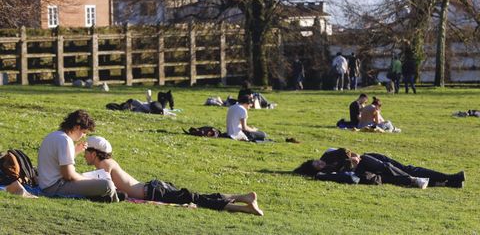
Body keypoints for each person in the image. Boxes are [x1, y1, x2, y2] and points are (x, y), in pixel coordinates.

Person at [84, 136, 263, 216]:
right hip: (154, 188)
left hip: (153, 192)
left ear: (94, 153)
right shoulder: (107, 163)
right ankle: (244, 204)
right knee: (198, 198)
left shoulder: (105, 164)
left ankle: (244, 201)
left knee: (198, 200)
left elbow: (100, 186)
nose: (83, 155)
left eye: (86, 152)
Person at [37, 110, 120, 202]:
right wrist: (87, 179)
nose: (84, 136)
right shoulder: (65, 140)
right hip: (55, 187)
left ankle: (103, 195)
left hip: (48, 185)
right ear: (77, 127)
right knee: (108, 185)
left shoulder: (54, 135)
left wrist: (74, 152)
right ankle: (111, 197)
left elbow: (59, 164)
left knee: (98, 181)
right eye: (84, 132)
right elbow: (68, 175)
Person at [294, 148, 466, 189]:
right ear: (316, 170)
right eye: (317, 166)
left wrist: (351, 157)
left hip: (368, 160)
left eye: (317, 161)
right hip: (366, 170)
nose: (320, 163)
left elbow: (344, 151)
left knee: (408, 168)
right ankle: (449, 181)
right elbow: (348, 175)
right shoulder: (327, 173)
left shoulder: (328, 156)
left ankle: (451, 179)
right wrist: (353, 164)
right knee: (396, 172)